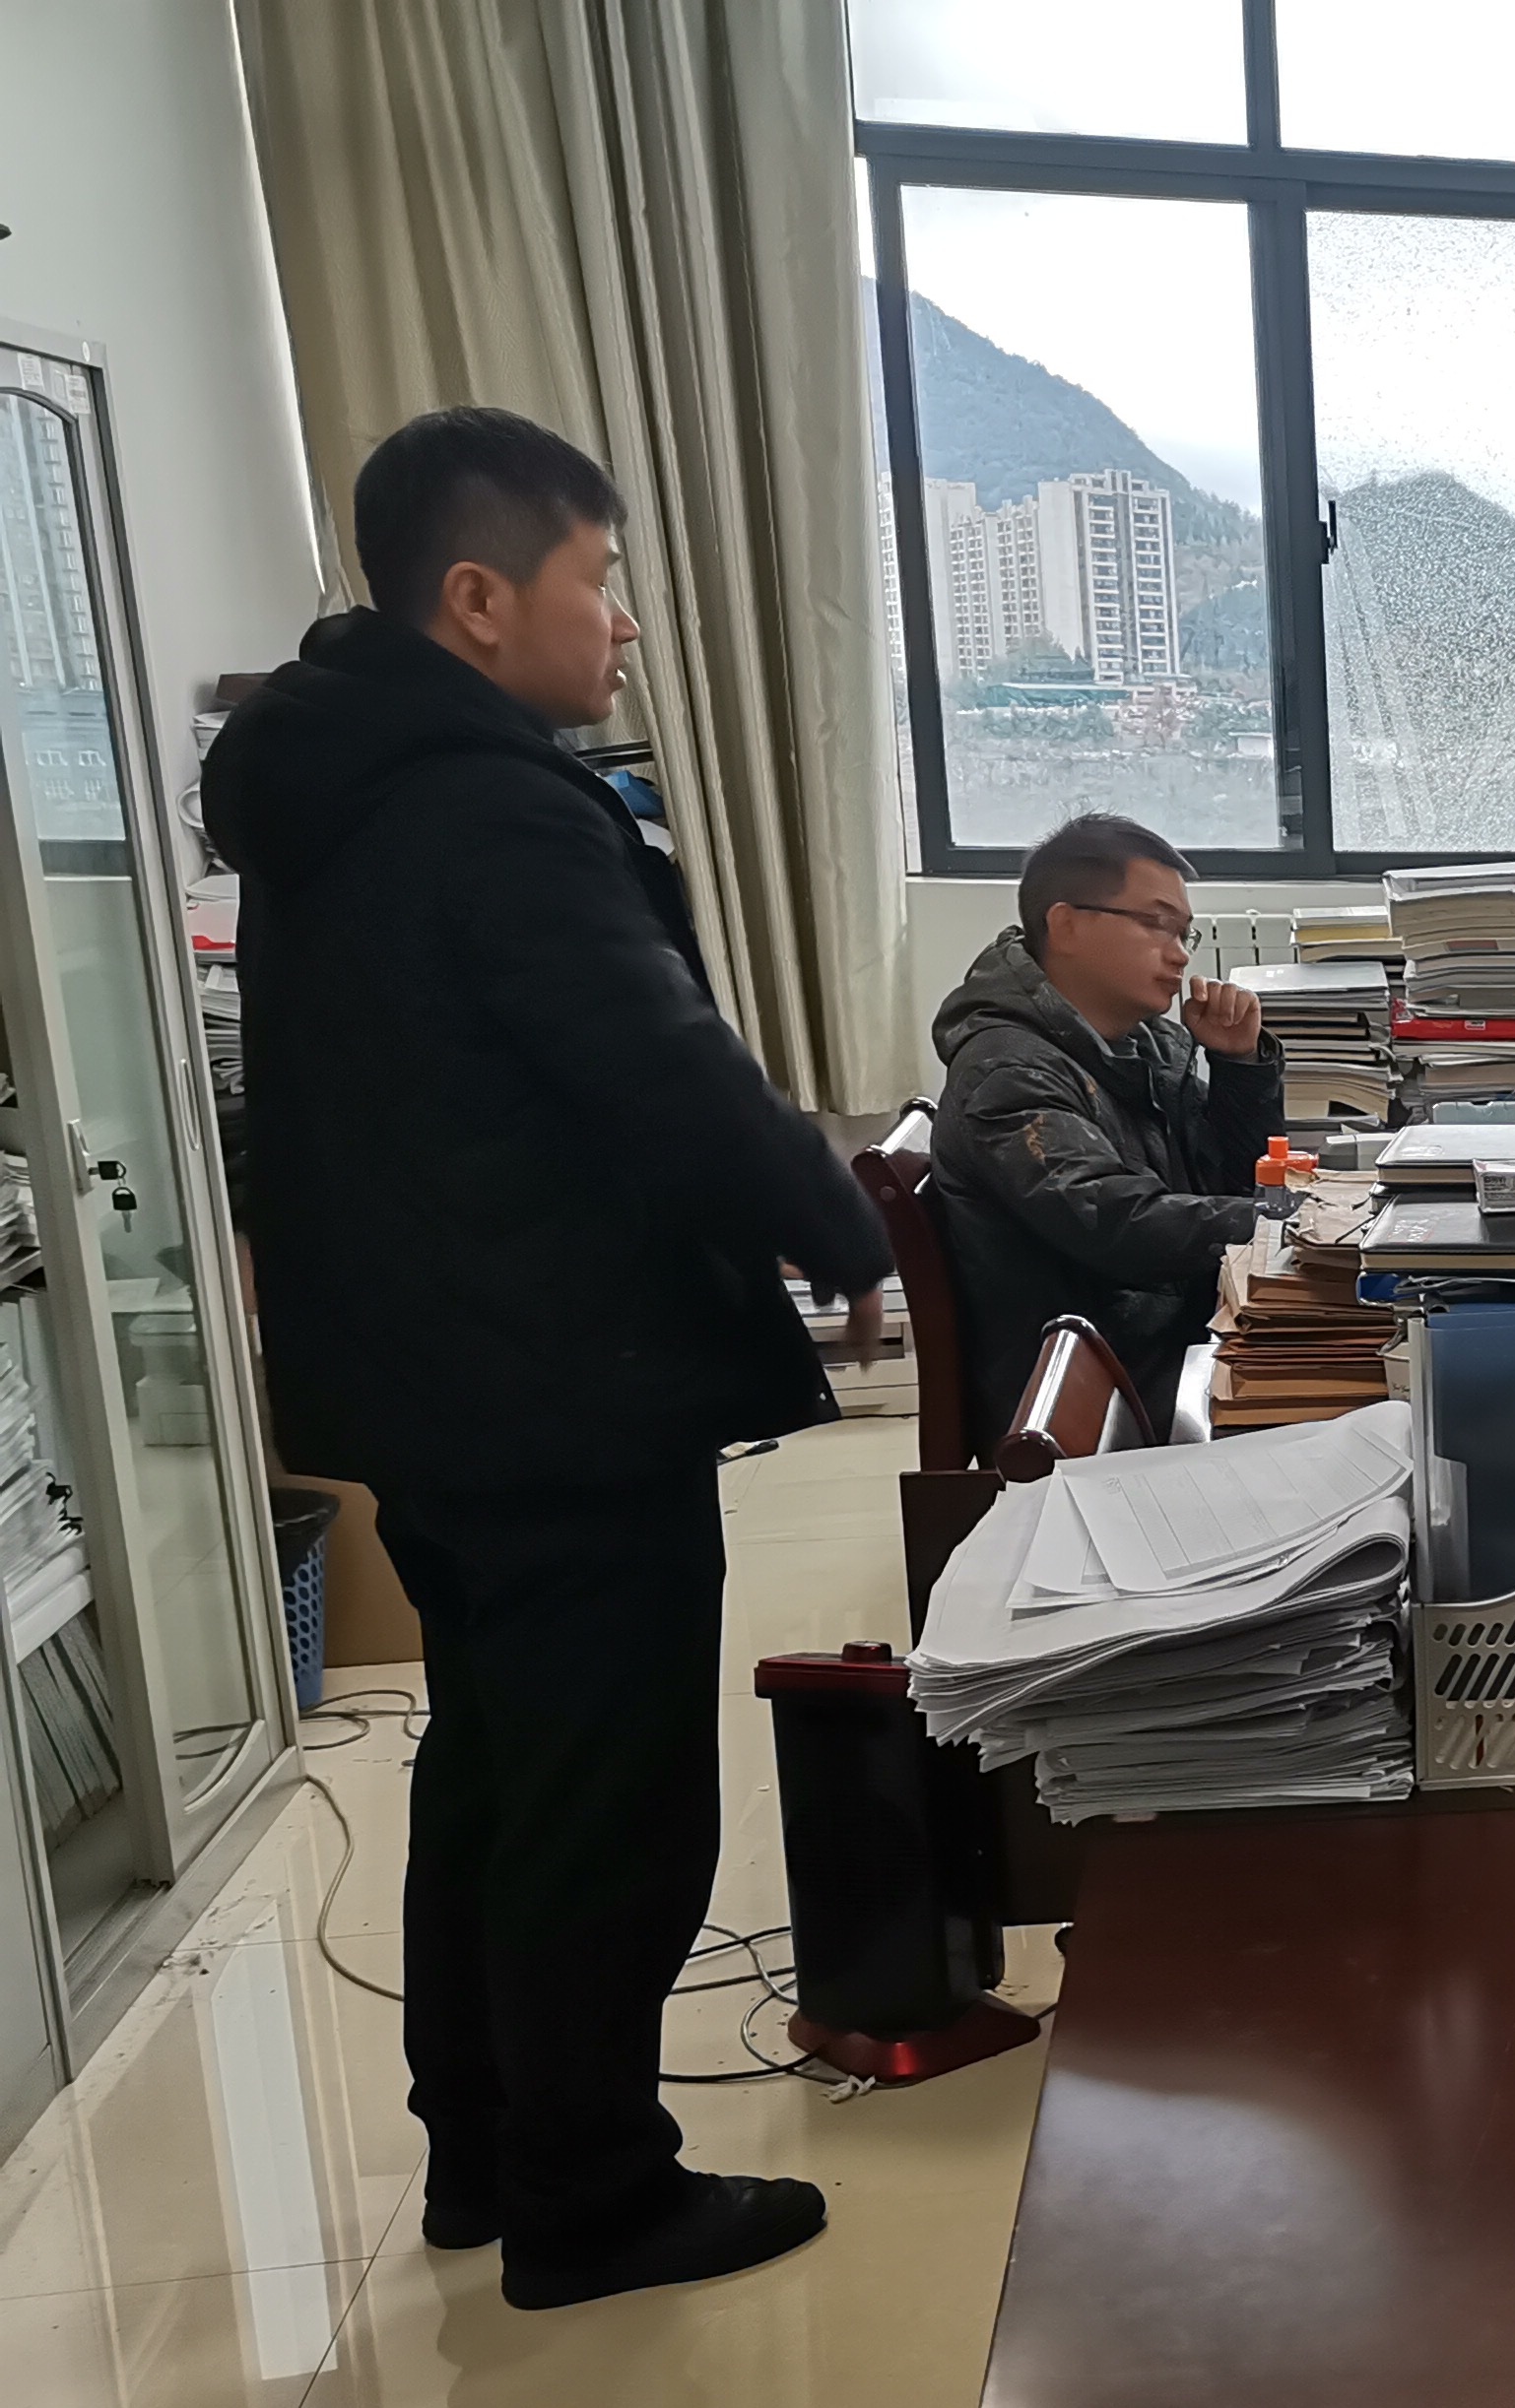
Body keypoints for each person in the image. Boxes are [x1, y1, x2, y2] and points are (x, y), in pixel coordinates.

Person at [203, 408, 891, 2310]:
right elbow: (656, 1057)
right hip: (560, 1380)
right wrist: (841, 1222)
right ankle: (595, 2198)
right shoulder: (490, 805)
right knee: (610, 1795)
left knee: (496, 1767)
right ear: (480, 595)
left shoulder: (329, 787)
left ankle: (484, 2152)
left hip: (432, 1383)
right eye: (601, 580)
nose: (625, 621)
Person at [931, 814, 1285, 1453]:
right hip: (1098, 1395)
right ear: (1066, 925)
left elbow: (1228, 1183)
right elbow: (1118, 1223)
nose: (1180, 952)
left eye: (1183, 932)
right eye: (1155, 924)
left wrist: (1238, 1069)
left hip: (1159, 1348)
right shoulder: (1007, 1071)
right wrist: (1294, 1222)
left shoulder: (1138, 1044)